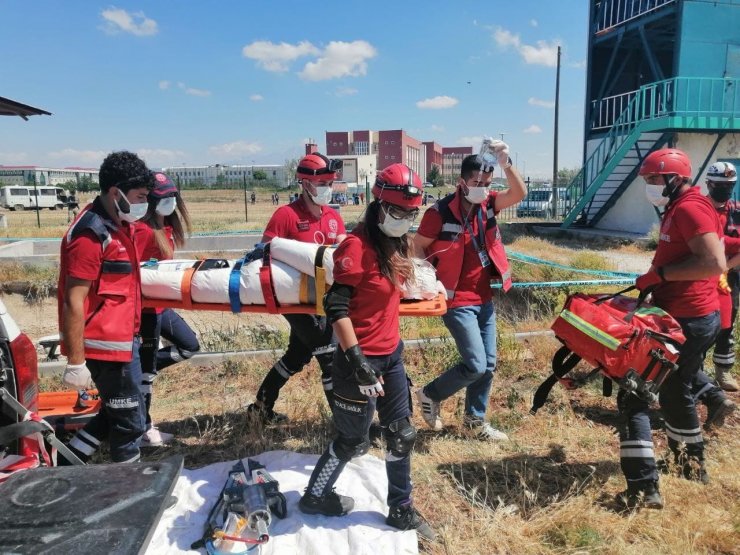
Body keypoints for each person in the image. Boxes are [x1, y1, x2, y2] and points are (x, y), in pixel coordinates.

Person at [298, 163, 434, 541]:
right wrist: (358, 362)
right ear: (378, 204)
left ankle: (401, 509)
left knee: (402, 434)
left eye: (410, 213)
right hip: (358, 362)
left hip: (391, 357)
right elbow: (336, 308)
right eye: (397, 212)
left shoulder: (396, 243)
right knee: (353, 441)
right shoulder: (355, 247)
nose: (404, 219)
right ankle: (315, 495)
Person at [620, 148, 730, 508]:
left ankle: (643, 487)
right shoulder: (681, 205)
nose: (649, 186)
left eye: (653, 179)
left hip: (688, 319)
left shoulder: (690, 208)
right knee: (675, 390)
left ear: (673, 178)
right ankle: (690, 464)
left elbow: (713, 263)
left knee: (634, 393)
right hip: (687, 315)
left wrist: (661, 275)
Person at [413, 141, 526, 440]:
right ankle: (430, 394)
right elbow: (418, 246)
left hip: (484, 299)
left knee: (488, 365)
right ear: (461, 182)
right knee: (476, 363)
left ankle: (475, 423)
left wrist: (506, 162)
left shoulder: (488, 205)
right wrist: (426, 278)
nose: (482, 189)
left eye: (487, 184)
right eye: (477, 183)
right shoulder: (438, 213)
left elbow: (519, 194)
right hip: (454, 301)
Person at [58, 151, 154, 463]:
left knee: (114, 415)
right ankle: (131, 494)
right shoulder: (91, 234)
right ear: (116, 193)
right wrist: (75, 362)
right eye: (140, 197)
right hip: (106, 351)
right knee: (129, 425)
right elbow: (74, 299)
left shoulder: (118, 225)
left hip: (125, 343)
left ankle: (66, 464)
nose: (144, 204)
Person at [246, 153, 346, 423]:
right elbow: (263, 253)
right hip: (295, 302)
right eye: (323, 182)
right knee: (328, 354)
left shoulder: (334, 217)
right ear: (305, 183)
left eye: (330, 182)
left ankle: (259, 409)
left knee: (297, 356)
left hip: (324, 300)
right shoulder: (285, 216)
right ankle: (344, 426)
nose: (328, 188)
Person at [135, 172, 200, 446]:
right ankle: (145, 428)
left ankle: (138, 370)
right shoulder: (142, 230)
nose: (170, 202)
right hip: (148, 311)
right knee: (147, 376)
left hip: (164, 308)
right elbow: (135, 267)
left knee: (190, 346)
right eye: (164, 198)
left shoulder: (168, 229)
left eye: (173, 196)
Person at [704, 161, 740, 391]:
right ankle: (693, 370)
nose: (725, 189)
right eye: (720, 185)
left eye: (730, 185)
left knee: (727, 324)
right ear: (709, 183)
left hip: (730, 276)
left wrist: (726, 268)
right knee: (699, 323)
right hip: (700, 274)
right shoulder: (700, 209)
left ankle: (722, 372)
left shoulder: (737, 211)